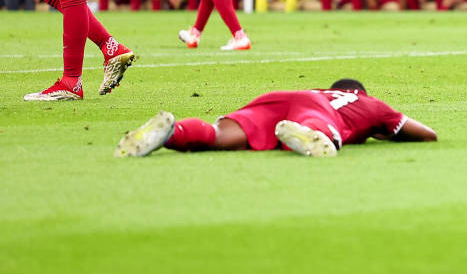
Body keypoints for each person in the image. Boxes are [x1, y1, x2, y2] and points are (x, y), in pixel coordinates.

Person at [115, 78, 437, 158]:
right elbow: (427, 134)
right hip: (314, 111)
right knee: (324, 131)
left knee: (220, 135)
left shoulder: (319, 89)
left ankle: (173, 131)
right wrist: (383, 131)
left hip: (279, 97)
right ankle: (306, 136)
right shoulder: (368, 104)